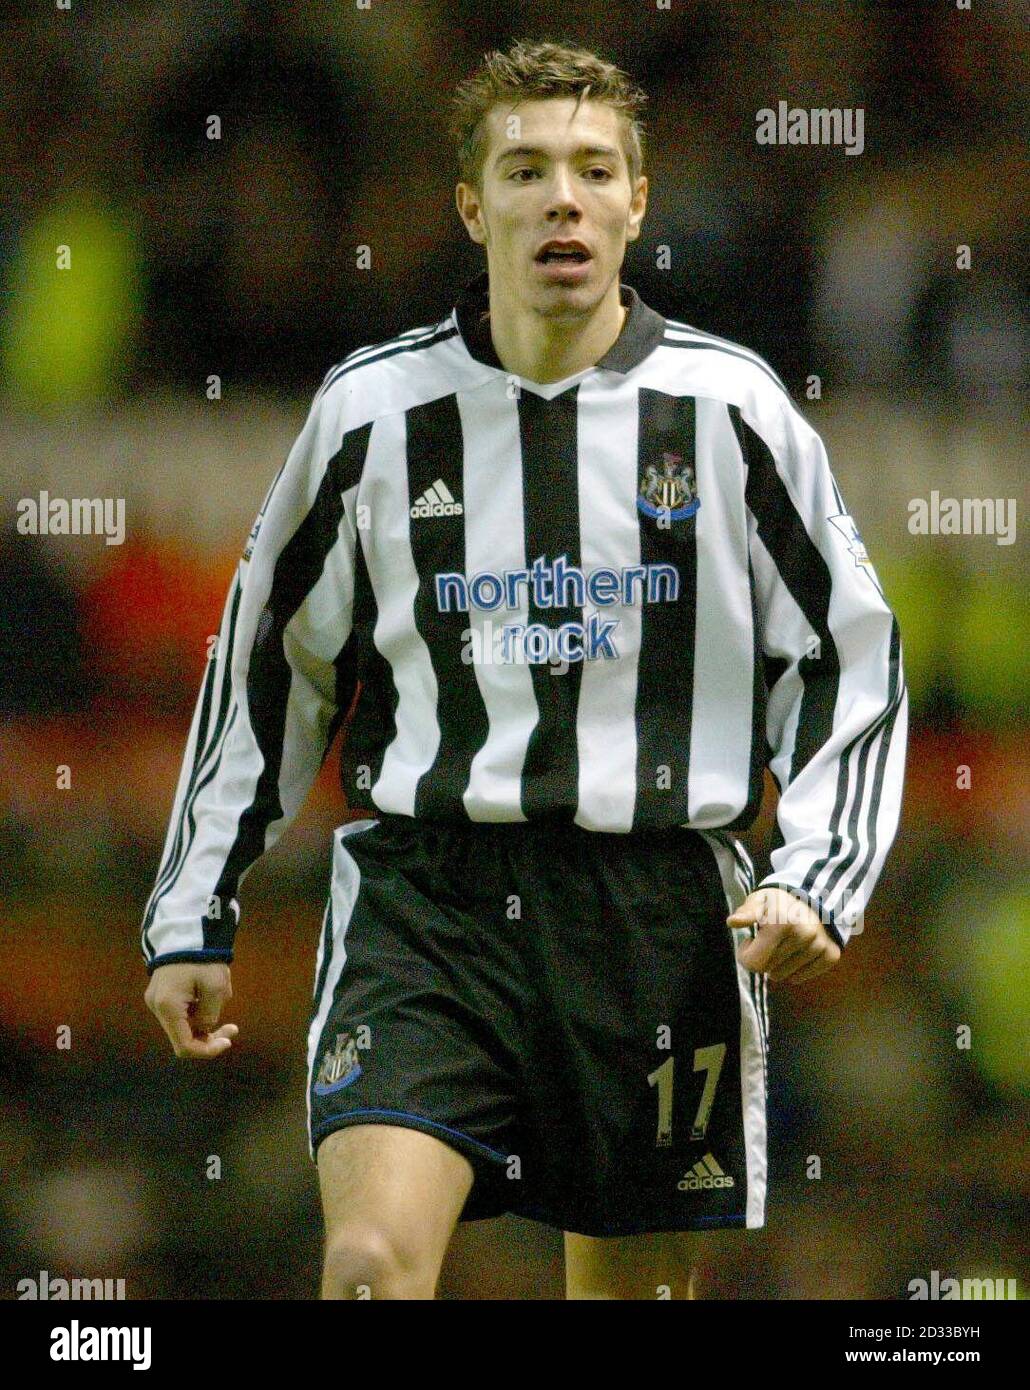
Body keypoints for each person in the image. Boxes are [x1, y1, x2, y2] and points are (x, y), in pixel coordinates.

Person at [142, 39, 908, 1300]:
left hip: (658, 913)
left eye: (594, 168)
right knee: (370, 1265)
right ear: (471, 205)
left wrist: (818, 874)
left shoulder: (734, 411)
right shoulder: (369, 417)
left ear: (636, 201)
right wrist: (193, 910)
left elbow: (846, 659)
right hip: (428, 899)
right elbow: (273, 665)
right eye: (526, 168)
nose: (563, 195)